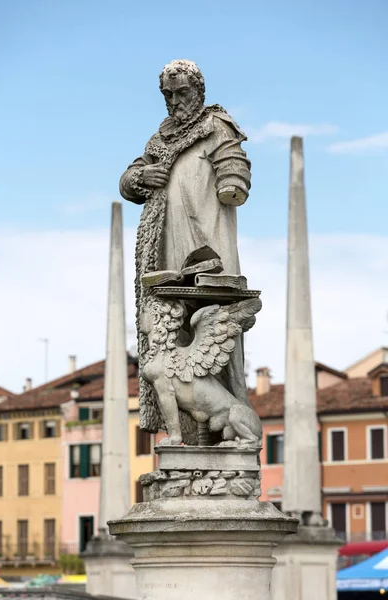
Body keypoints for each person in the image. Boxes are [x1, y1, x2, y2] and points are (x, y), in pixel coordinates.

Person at [119, 59, 252, 440]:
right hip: (167, 244)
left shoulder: (216, 126)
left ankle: (224, 418)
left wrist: (233, 180)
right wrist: (141, 176)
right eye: (169, 95)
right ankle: (189, 431)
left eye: (182, 93)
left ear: (199, 91)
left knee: (211, 312)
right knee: (170, 325)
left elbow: (234, 162)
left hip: (208, 235)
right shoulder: (160, 138)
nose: (176, 101)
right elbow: (129, 179)